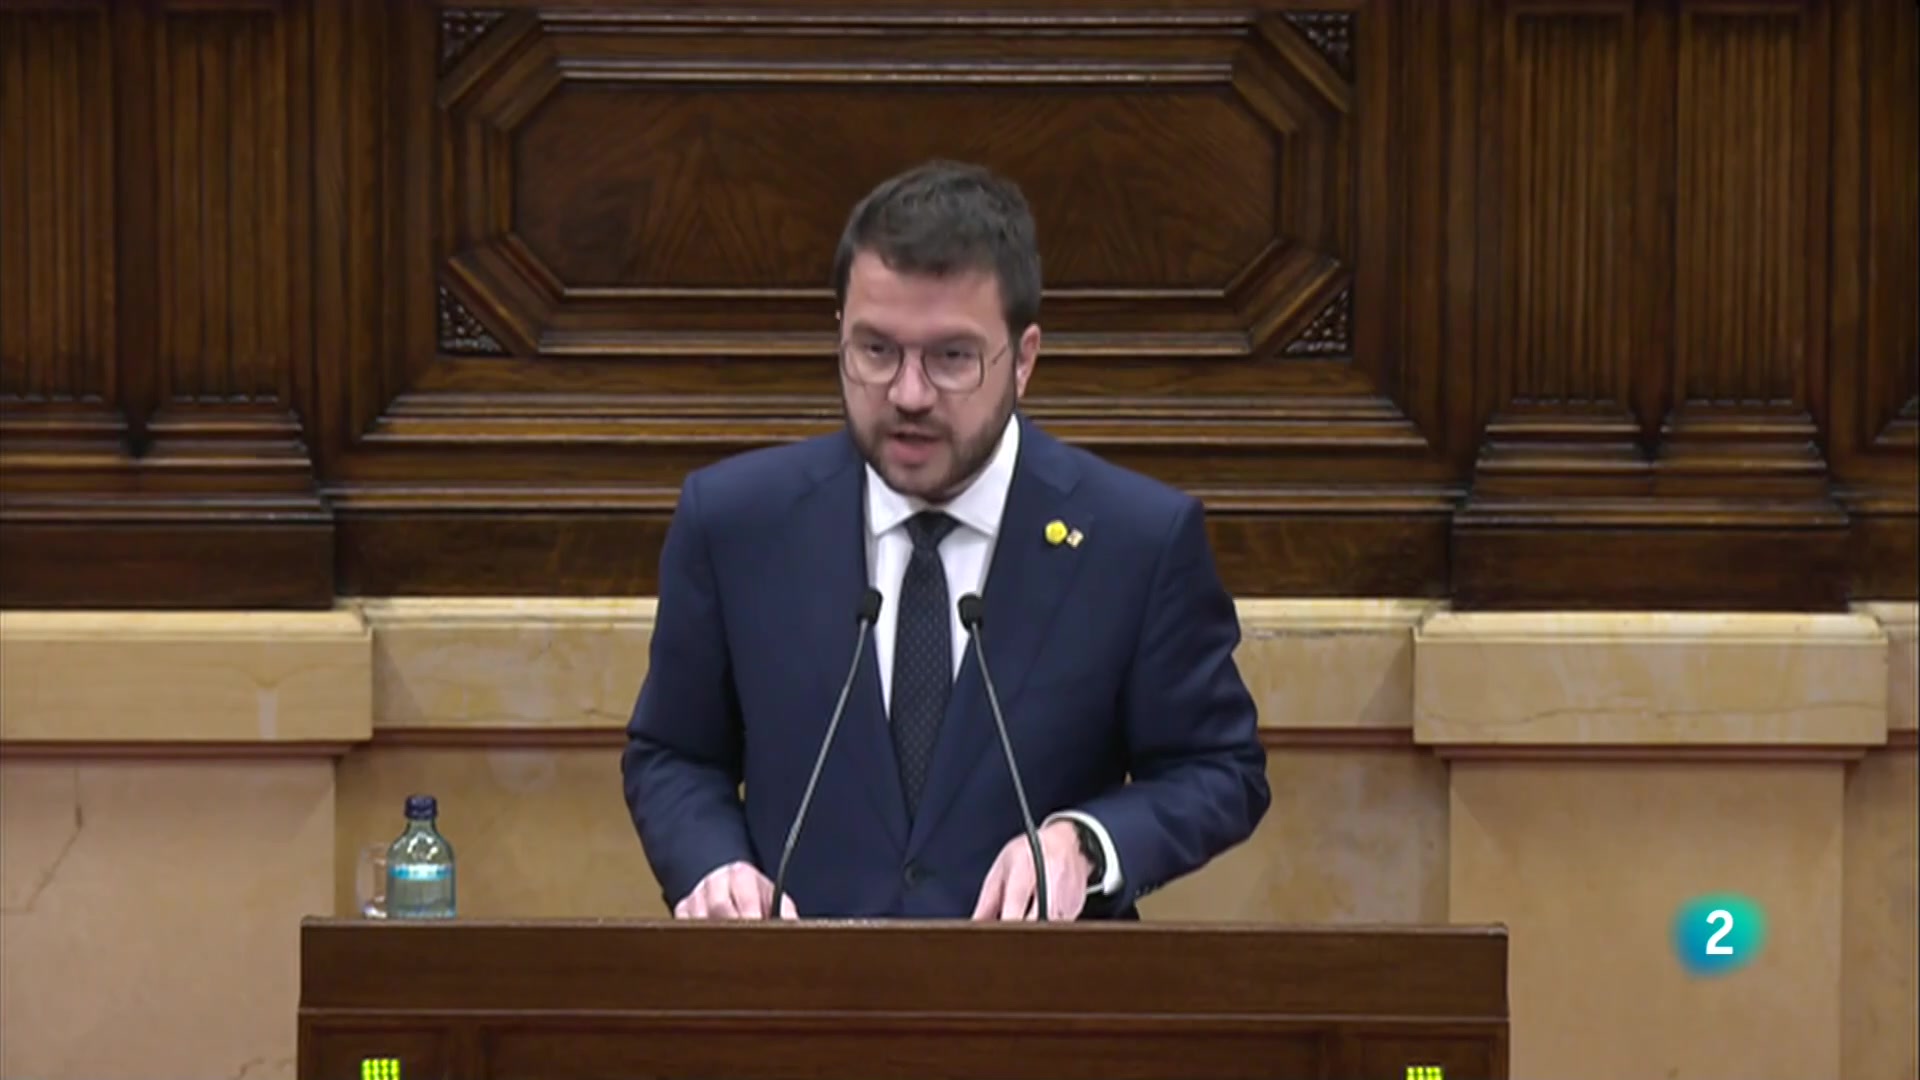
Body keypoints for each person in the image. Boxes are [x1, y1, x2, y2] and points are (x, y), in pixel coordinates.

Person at [620, 159, 1270, 921]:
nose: (908, 394)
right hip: (797, 982)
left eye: (952, 358)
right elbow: (674, 754)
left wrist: (1088, 843)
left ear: (1023, 360)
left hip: (1036, 987)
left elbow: (1218, 768)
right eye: (876, 350)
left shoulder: (1134, 540)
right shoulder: (737, 522)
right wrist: (715, 865)